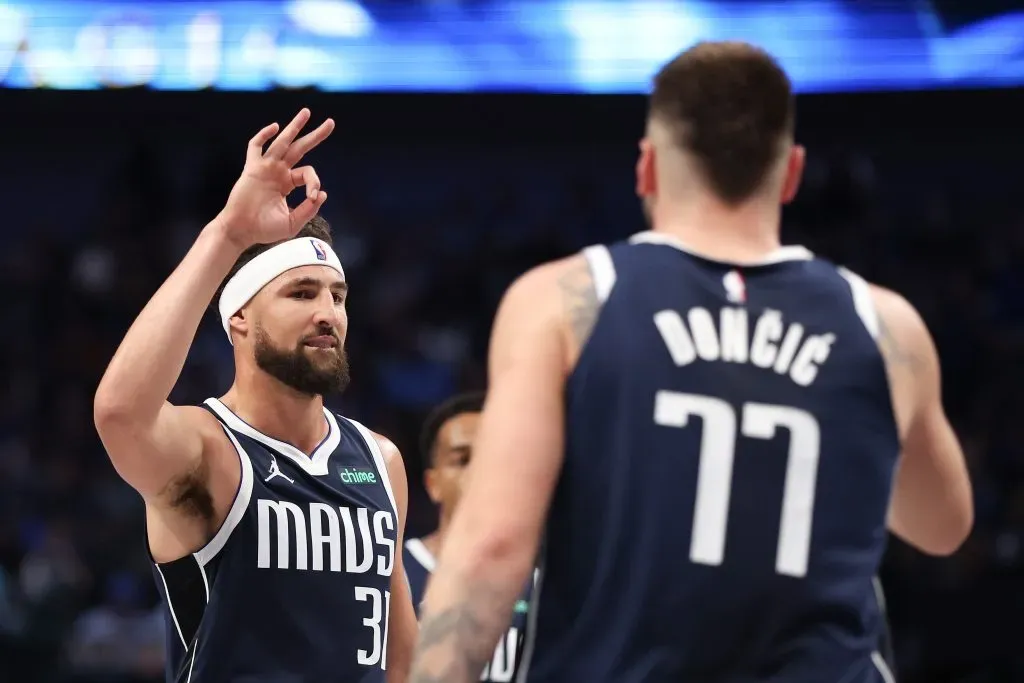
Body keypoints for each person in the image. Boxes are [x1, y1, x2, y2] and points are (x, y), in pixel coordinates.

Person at [408, 41, 973, 683]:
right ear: (791, 172)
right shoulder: (883, 325)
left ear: (646, 168)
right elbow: (944, 526)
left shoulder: (566, 300)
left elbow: (492, 546)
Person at [94, 109, 418, 683]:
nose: (328, 314)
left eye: (338, 295)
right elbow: (120, 413)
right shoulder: (206, 451)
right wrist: (229, 234)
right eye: (301, 293)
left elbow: (404, 658)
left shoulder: (380, 461)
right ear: (239, 317)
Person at [404, 392, 532, 683]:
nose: (480, 471)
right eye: (462, 460)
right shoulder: (396, 571)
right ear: (433, 484)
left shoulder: (542, 580)